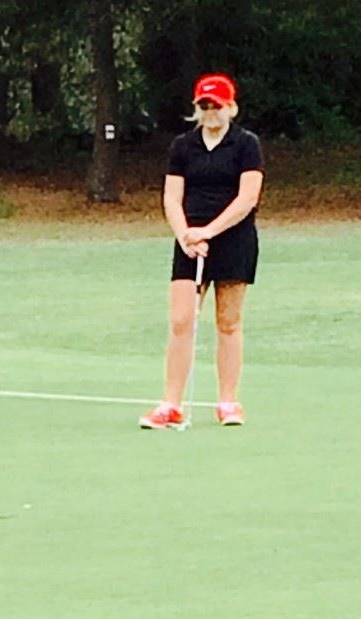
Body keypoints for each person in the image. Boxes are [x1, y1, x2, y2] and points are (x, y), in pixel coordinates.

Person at [140, 73, 264, 429]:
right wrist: (186, 235)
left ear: (231, 107)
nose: (211, 112)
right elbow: (171, 197)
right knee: (181, 321)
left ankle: (228, 402)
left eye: (217, 106)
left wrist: (209, 231)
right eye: (204, 106)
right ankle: (170, 404)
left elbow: (248, 198)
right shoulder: (183, 146)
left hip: (233, 238)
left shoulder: (246, 144)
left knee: (228, 322)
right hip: (191, 242)